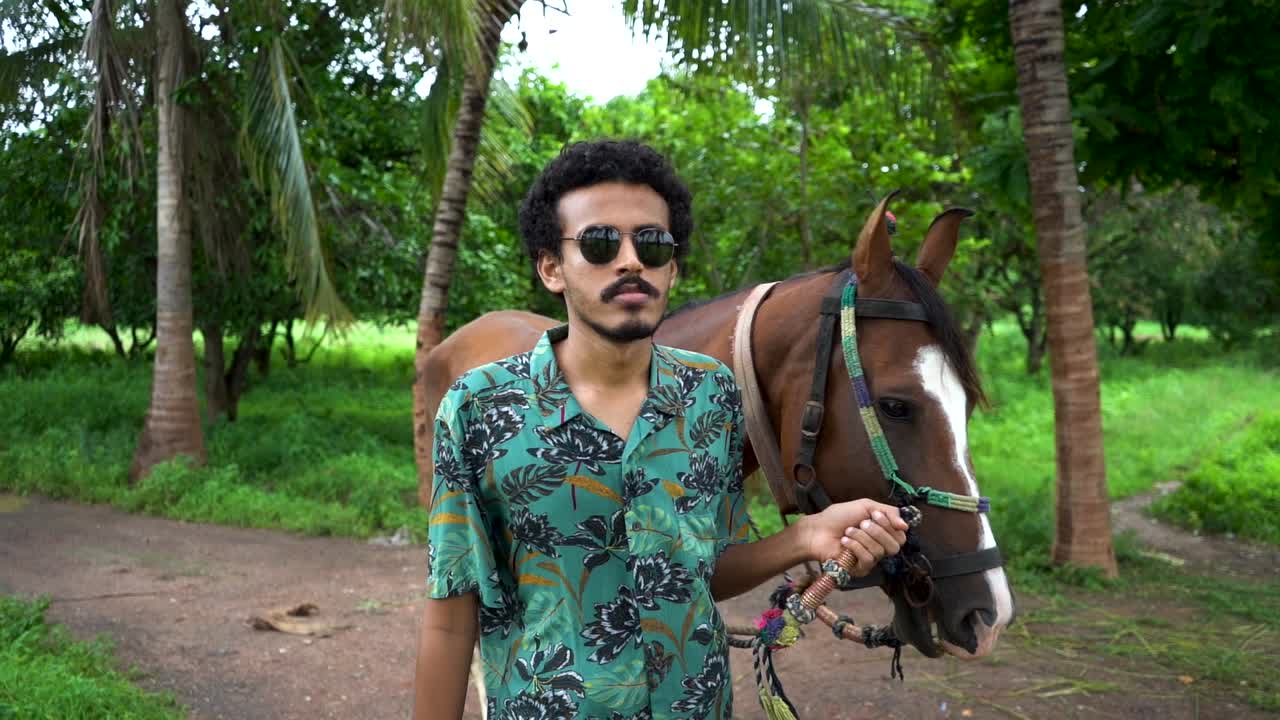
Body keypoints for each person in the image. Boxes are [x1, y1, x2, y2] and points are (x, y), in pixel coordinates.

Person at [413, 140, 908, 720]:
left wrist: (806, 537)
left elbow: (697, 571)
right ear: (552, 268)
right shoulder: (479, 406)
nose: (630, 262)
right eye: (599, 244)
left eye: (651, 245)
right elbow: (451, 618)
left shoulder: (712, 395)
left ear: (672, 267)